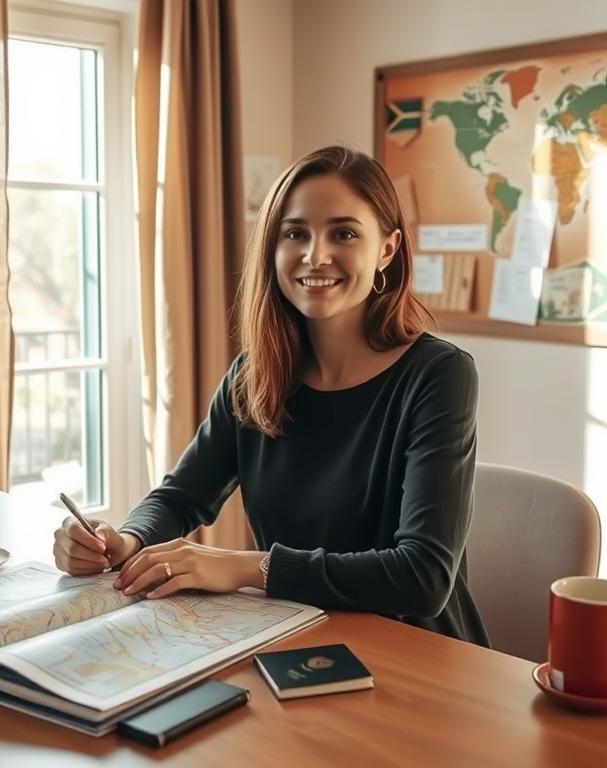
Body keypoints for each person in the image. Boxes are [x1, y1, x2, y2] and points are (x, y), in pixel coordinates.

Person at [52, 145, 488, 645]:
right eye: (295, 233)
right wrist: (124, 541)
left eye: (344, 233)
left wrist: (242, 568)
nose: (315, 255)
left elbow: (423, 577)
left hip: (422, 656)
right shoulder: (253, 375)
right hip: (299, 639)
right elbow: (181, 496)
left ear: (387, 249)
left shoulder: (439, 375)